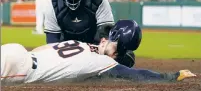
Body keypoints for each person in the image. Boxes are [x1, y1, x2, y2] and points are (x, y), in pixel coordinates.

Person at [1, 27, 196, 86]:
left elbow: (42, 49)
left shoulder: (80, 44)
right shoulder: (102, 61)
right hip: (20, 69)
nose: (104, 38)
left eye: (110, 39)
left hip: (18, 53)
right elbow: (136, 75)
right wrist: (171, 76)